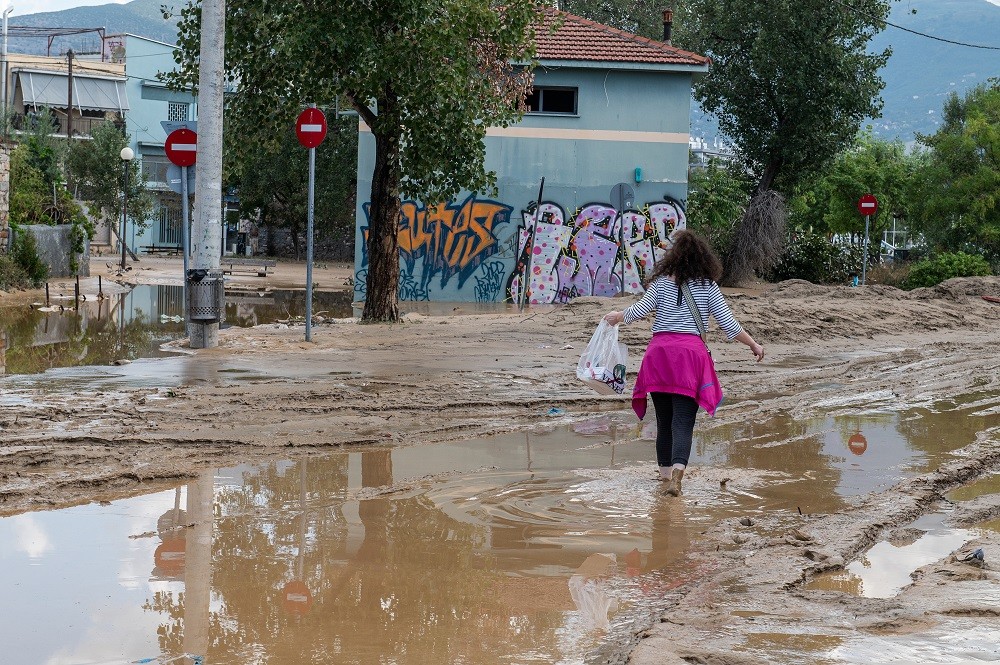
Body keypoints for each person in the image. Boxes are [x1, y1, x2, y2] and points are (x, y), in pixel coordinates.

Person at [603, 229, 764, 496]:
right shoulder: (707, 287)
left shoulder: (662, 284)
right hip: (689, 357)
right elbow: (729, 325)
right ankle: (677, 477)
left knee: (664, 422)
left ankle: (664, 479)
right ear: (704, 260)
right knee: (682, 423)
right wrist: (753, 344)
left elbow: (639, 310)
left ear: (673, 258)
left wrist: (617, 316)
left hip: (660, 356)